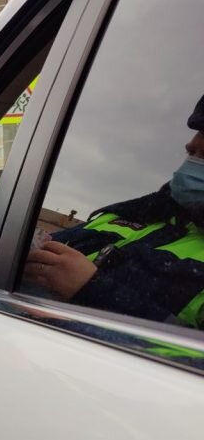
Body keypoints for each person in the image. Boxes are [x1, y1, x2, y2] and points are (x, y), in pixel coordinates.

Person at [25, 95, 204, 328]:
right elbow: (26, 255)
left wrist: (93, 289)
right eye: (192, 154)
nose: (190, 167)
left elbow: (191, 359)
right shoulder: (132, 214)